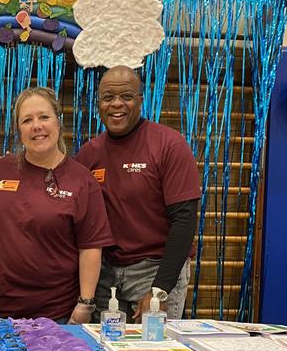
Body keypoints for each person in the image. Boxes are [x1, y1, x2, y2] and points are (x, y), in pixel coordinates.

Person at [75, 65, 201, 321]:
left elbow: (184, 221)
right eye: (108, 97)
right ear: (99, 103)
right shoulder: (89, 154)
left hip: (154, 271)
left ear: (141, 100)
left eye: (127, 96)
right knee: (107, 350)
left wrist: (160, 290)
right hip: (105, 274)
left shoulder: (169, 144)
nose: (117, 104)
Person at [0, 86, 114, 324]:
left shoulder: (82, 180)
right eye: (27, 120)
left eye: (44, 117)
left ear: (58, 122)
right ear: (19, 130)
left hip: (58, 314)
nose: (37, 126)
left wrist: (85, 304)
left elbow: (91, 247)